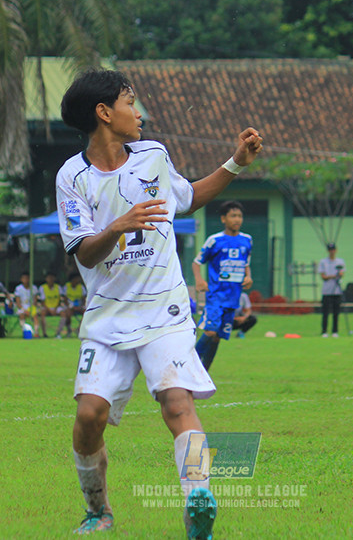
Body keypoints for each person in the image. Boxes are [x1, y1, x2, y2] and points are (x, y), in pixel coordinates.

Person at [55, 68, 262, 538]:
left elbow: (187, 198)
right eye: (131, 103)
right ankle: (98, 510)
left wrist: (236, 163)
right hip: (107, 315)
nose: (140, 113)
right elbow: (83, 251)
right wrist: (116, 226)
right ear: (104, 113)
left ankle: (197, 501)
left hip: (164, 309)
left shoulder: (153, 155)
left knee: (177, 401)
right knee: (90, 415)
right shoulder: (72, 177)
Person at [192, 200, 252, 369]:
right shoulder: (214, 240)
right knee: (210, 331)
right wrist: (199, 280)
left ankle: (204, 372)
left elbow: (246, 264)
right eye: (233, 216)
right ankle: (189, 365)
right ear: (223, 219)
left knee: (217, 336)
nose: (237, 219)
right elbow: (197, 262)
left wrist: (248, 277)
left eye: (240, 216)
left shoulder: (247, 240)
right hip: (216, 295)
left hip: (234, 297)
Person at [318, 242, 346, 337]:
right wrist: (334, 276)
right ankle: (324, 331)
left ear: (336, 250)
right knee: (325, 312)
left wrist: (338, 275)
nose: (332, 252)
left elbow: (342, 274)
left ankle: (335, 331)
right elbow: (323, 276)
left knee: (336, 312)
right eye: (330, 250)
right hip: (327, 290)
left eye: (333, 250)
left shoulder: (340, 262)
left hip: (337, 290)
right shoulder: (323, 262)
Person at [58, 272, 86, 338]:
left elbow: (83, 298)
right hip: (69, 306)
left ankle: (79, 329)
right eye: (76, 279)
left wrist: (80, 306)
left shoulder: (81, 287)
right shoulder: (66, 286)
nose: (78, 281)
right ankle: (69, 330)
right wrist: (71, 306)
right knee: (68, 313)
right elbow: (65, 299)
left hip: (79, 306)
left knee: (86, 312)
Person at [38, 272, 62, 338]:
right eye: (49, 278)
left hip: (56, 307)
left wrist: (55, 309)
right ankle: (44, 333)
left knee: (64, 314)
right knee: (42, 313)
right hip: (46, 307)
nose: (51, 279)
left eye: (52, 277)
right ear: (46, 279)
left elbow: (59, 300)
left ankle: (58, 333)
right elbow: (43, 302)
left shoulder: (58, 287)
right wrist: (50, 310)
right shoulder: (42, 287)